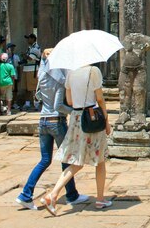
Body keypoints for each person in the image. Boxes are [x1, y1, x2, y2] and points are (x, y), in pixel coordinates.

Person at [15, 48, 89, 211]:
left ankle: (25, 195)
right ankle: (71, 195)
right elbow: (58, 106)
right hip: (56, 121)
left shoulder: (42, 75)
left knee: (44, 160)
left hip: (43, 121)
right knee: (68, 159)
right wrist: (75, 111)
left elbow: (39, 97)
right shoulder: (59, 81)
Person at [41, 65, 112, 216]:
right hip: (91, 118)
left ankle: (53, 194)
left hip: (77, 118)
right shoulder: (94, 71)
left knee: (77, 161)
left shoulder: (70, 74)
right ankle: (99, 199)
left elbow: (70, 101)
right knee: (99, 160)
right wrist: (106, 119)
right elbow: (99, 98)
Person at [21, 33, 41, 111]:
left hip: (32, 70)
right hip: (28, 69)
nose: (27, 40)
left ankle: (34, 104)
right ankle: (28, 104)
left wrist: (24, 55)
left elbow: (30, 58)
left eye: (29, 38)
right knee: (27, 88)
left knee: (32, 88)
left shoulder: (35, 48)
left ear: (33, 39)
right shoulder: (30, 48)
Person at [6, 43, 21, 109]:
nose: (12, 49)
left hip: (14, 75)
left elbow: (18, 67)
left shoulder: (16, 57)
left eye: (13, 48)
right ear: (7, 49)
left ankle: (14, 103)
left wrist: (19, 75)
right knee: (8, 89)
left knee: (15, 89)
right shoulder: (5, 57)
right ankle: (7, 104)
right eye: (10, 48)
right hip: (7, 75)